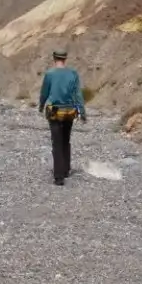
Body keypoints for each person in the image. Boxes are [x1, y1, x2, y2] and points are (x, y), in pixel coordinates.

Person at [37, 48, 86, 185]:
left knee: (56, 142)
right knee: (66, 140)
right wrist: (82, 112)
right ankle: (66, 169)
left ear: (54, 58)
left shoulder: (49, 74)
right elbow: (78, 95)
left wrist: (41, 106)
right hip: (69, 111)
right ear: (65, 58)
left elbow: (44, 93)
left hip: (54, 111)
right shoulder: (73, 73)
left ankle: (59, 177)